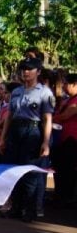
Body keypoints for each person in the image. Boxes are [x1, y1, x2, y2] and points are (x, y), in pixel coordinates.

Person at [0, 57, 55, 221]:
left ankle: (28, 210)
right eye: (23, 69)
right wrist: (3, 139)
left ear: (38, 71)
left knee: (30, 172)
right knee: (12, 170)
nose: (25, 72)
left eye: (29, 69)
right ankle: (15, 207)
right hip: (15, 130)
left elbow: (47, 119)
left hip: (33, 130)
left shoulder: (44, 92)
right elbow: (9, 116)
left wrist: (45, 142)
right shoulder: (16, 92)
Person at [51, 73, 77, 204]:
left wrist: (51, 119)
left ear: (75, 84)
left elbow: (65, 115)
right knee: (60, 168)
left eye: (67, 84)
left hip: (72, 139)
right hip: (61, 137)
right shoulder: (68, 99)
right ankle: (59, 194)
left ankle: (66, 197)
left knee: (68, 169)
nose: (65, 86)